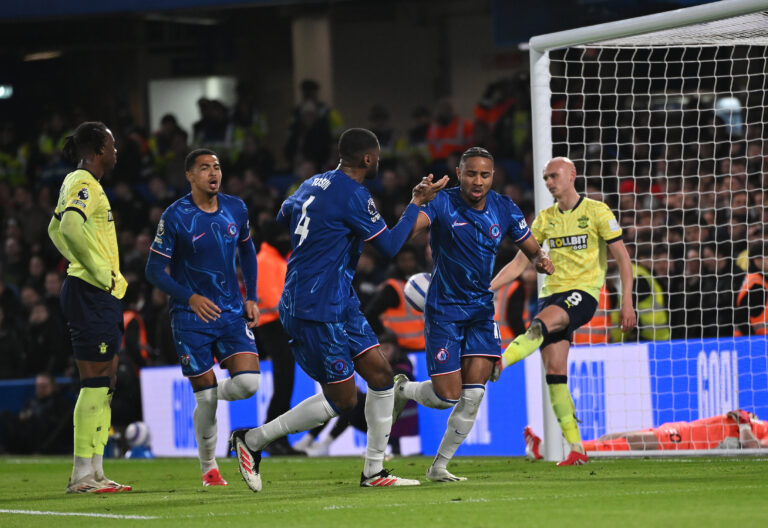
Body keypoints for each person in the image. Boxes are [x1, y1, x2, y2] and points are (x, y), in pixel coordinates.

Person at [230, 128, 448, 491]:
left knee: (380, 374)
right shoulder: (354, 195)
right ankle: (252, 441)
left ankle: (374, 472)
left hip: (338, 299)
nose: (378, 161)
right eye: (376, 156)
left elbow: (283, 218)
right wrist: (416, 205)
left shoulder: (310, 184)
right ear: (367, 159)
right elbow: (392, 246)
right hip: (313, 306)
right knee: (343, 399)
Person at [391, 147, 553, 482]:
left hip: (481, 310)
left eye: (485, 175)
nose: (477, 181)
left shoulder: (504, 207)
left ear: (492, 176)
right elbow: (403, 235)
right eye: (471, 174)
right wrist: (416, 202)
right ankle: (403, 389)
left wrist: (539, 259)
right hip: (444, 311)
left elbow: (531, 247)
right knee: (446, 397)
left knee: (475, 393)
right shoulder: (443, 203)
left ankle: (439, 466)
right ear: (459, 173)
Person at [490, 157, 636, 466]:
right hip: (550, 296)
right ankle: (577, 448)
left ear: (572, 175)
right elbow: (519, 263)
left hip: (581, 294)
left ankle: (500, 362)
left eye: (554, 175)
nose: (549, 182)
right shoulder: (544, 219)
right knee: (555, 374)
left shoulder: (597, 211)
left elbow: (623, 259)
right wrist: (489, 287)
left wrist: (627, 302)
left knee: (538, 325)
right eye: (545, 178)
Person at [145, 148, 261, 487]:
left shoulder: (236, 208)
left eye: (217, 167)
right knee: (206, 400)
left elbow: (247, 250)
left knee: (248, 384)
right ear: (190, 176)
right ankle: (209, 466)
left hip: (230, 311)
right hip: (189, 316)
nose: (213, 173)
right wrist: (190, 297)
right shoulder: (176, 215)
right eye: (204, 168)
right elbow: (154, 269)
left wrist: (251, 296)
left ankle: (209, 392)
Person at [46, 121, 132, 493]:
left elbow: (53, 229)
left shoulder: (84, 184)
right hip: (90, 291)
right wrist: (97, 271)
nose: (116, 151)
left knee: (107, 381)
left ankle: (95, 470)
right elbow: (66, 228)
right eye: (112, 145)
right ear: (98, 149)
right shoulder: (82, 182)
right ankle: (82, 473)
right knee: (95, 381)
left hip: (99, 293)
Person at [253, 220, 302, 456]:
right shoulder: (265, 261)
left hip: (279, 325)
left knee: (285, 385)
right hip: (274, 326)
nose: (286, 239)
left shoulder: (274, 259)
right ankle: (271, 438)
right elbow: (273, 300)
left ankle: (277, 439)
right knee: (283, 384)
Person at [524, 410, 768, 455]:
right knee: (616, 438)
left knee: (634, 441)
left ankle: (554, 450)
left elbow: (754, 450)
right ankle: (557, 449)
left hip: (695, 442)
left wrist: (744, 424)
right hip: (692, 428)